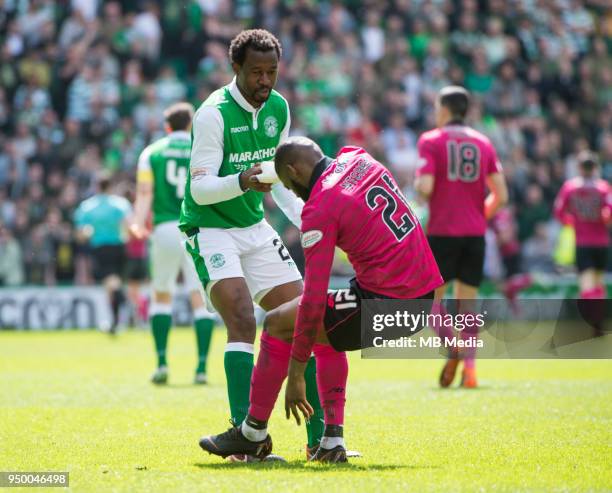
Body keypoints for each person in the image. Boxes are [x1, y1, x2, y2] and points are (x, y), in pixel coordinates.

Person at [198, 137, 443, 462]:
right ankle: (330, 442)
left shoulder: (320, 208)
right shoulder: (359, 158)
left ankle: (251, 433)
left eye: (290, 185)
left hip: (388, 302)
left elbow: (312, 298)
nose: (295, 195)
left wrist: (297, 374)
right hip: (423, 293)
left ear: (294, 172)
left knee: (278, 322)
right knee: (326, 330)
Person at [178, 29, 326, 458]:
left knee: (305, 320)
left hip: (255, 227)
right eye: (257, 72)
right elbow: (201, 189)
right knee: (242, 319)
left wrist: (310, 223)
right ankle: (248, 441)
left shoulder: (278, 108)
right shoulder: (212, 114)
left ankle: (321, 441)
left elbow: (279, 178)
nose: (266, 81)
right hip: (209, 227)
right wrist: (243, 179)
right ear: (236, 68)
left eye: (272, 72)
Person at [414, 86, 508, 388]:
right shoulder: (484, 142)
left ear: (444, 110)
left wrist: (418, 184)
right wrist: (482, 216)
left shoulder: (431, 140)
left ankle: (452, 346)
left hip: (442, 232)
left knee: (431, 304)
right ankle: (470, 370)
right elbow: (501, 194)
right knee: (467, 306)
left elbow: (426, 187)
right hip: (475, 235)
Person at [130, 102, 216, 385]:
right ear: (190, 125)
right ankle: (202, 368)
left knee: (161, 294)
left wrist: (138, 223)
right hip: (196, 228)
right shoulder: (199, 149)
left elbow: (145, 191)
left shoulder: (151, 153)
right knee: (199, 299)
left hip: (165, 227)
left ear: (167, 127)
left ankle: (162, 363)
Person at [74, 175, 132, 333]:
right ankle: (114, 322)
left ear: (96, 187)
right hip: (120, 246)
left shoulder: (87, 207)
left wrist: (88, 234)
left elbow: (81, 233)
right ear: (110, 186)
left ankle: (125, 300)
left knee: (111, 283)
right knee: (112, 285)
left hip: (100, 248)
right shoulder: (121, 204)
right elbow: (129, 225)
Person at [553, 151, 611, 301]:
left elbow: (558, 211)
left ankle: (591, 316)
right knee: (598, 283)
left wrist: (572, 222)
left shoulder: (570, 187)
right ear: (595, 168)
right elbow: (609, 212)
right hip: (602, 242)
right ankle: (598, 318)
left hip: (583, 242)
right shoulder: (603, 188)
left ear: (579, 168)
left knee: (586, 283)